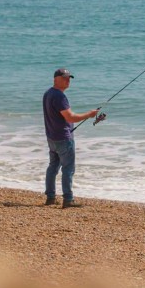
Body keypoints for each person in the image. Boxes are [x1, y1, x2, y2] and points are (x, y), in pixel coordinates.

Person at [43, 67, 105, 208]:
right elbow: (70, 117)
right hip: (63, 138)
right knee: (68, 168)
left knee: (53, 167)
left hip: (52, 137)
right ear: (55, 79)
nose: (67, 81)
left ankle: (50, 197)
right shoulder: (59, 96)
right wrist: (89, 115)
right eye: (64, 78)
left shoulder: (48, 93)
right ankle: (68, 199)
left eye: (68, 78)